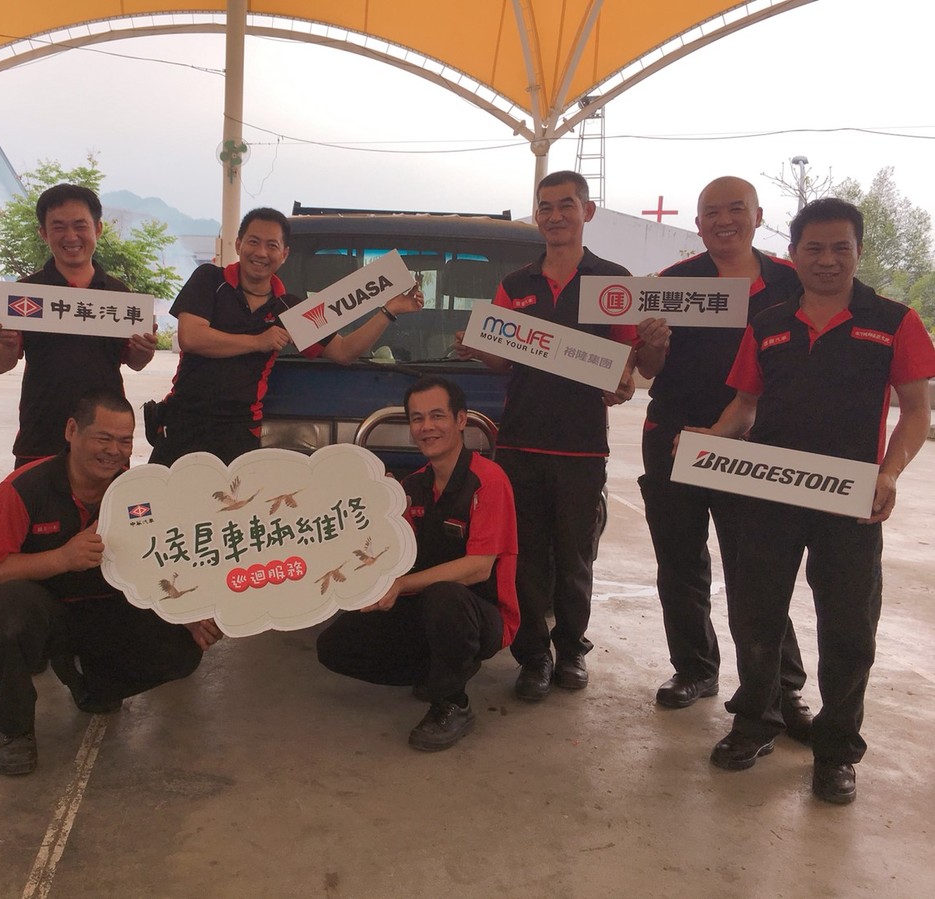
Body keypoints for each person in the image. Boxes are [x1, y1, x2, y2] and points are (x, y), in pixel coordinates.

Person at [697, 198, 935, 804]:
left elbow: (916, 411)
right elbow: (745, 405)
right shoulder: (768, 323)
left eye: (840, 248)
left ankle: (836, 750)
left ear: (858, 251)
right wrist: (711, 438)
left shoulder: (894, 321)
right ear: (794, 253)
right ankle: (756, 722)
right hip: (768, 496)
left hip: (850, 501)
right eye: (814, 248)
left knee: (849, 630)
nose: (827, 260)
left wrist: (889, 473)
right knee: (756, 616)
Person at [635, 177, 811, 734]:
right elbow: (648, 370)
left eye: (736, 209)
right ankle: (694, 669)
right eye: (712, 212)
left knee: (757, 569)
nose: (724, 220)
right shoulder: (674, 284)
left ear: (758, 216)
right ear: (698, 223)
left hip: (753, 445)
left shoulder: (791, 281)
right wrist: (653, 346)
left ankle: (782, 688)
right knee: (679, 563)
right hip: (673, 438)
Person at [456, 170, 638, 701]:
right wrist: (478, 348)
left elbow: (627, 366)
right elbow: (502, 362)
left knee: (576, 558)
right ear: (536, 215)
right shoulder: (515, 284)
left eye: (565, 205)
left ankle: (572, 650)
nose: (555, 216)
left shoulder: (613, 281)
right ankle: (533, 656)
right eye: (545, 207)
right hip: (520, 442)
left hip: (582, 445)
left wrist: (623, 383)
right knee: (526, 558)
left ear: (587, 211)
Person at [0, 390, 207, 776]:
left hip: (110, 612)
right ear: (71, 431)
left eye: (125, 441)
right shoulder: (24, 488)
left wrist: (189, 614)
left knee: (183, 648)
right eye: (103, 438)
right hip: (49, 613)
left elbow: (166, 565)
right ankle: (14, 729)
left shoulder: (138, 494)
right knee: (7, 611)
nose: (114, 451)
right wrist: (61, 558)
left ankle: (90, 681)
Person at [316, 376, 519, 751]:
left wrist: (402, 586)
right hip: (426, 607)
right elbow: (391, 558)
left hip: (480, 613)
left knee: (445, 597)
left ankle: (452, 703)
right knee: (335, 646)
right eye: (417, 418)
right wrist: (374, 510)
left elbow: (479, 567)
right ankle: (439, 671)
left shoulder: (489, 480)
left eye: (437, 416)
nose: (427, 427)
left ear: (461, 420)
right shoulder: (411, 487)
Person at [149, 206, 423, 467]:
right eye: (253, 242)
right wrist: (259, 341)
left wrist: (389, 310)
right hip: (182, 421)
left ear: (284, 254)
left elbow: (344, 352)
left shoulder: (289, 309)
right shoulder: (210, 279)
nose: (261, 253)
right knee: (158, 499)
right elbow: (191, 337)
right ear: (238, 244)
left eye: (272, 245)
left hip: (239, 431)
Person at [0, 184, 158, 467]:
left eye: (80, 226)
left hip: (106, 439)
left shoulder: (120, 296)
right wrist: (6, 343)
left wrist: (145, 350)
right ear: (43, 233)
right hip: (40, 434)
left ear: (98, 229)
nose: (71, 237)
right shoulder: (25, 293)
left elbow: (136, 362)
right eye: (58, 227)